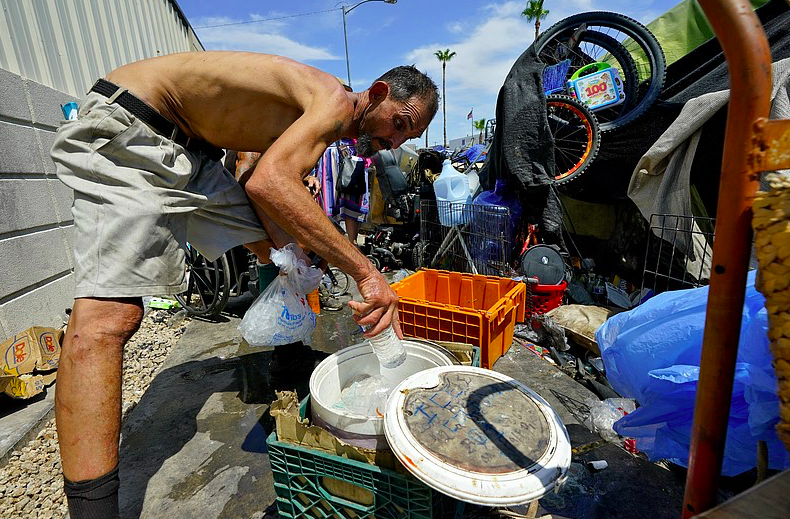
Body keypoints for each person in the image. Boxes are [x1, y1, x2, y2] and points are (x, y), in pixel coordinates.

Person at [49, 51, 438, 518]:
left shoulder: (323, 119)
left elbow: (255, 172)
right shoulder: (334, 101)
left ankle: (289, 355)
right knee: (109, 319)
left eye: (406, 136)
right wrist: (366, 273)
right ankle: (92, 509)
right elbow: (270, 183)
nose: (392, 142)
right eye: (398, 123)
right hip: (134, 127)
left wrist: (297, 248)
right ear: (376, 94)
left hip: (193, 154)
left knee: (288, 256)